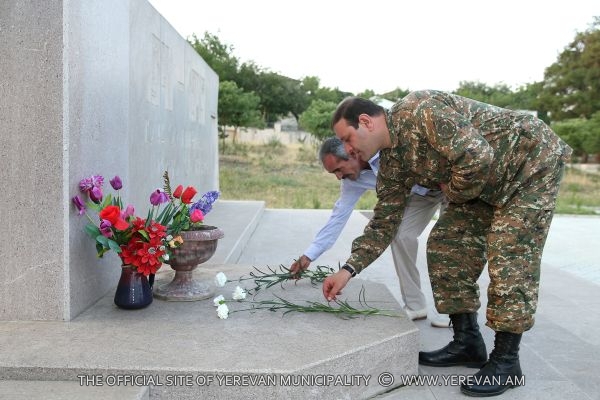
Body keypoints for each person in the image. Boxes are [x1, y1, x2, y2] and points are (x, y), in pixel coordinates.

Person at [324, 90, 572, 397]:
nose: (348, 149)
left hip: (529, 163)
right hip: (481, 182)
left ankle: (507, 362)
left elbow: (476, 155)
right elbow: (384, 222)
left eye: (348, 139)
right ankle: (467, 342)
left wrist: (452, 190)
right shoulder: (391, 164)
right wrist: (347, 270)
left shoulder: (418, 110)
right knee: (446, 243)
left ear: (366, 122)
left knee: (510, 252)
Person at [289, 137, 448, 327]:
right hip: (420, 194)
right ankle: (416, 305)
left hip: (448, 182)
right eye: (333, 173)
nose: (339, 177)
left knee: (448, 241)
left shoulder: (383, 152)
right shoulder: (351, 181)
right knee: (401, 236)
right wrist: (309, 255)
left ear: (352, 154)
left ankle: (454, 311)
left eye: (339, 169)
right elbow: (338, 216)